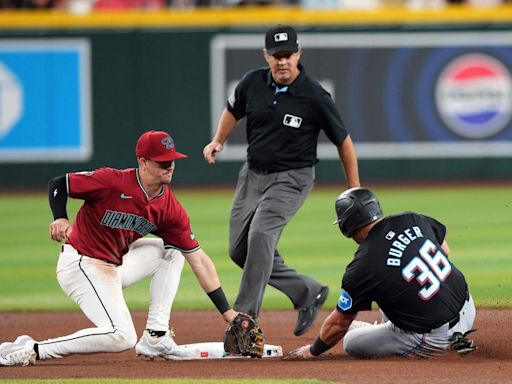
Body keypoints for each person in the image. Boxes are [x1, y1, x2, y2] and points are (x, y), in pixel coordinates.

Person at [0, 130, 240, 366]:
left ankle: (156, 337)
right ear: (143, 162)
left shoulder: (169, 208)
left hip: (115, 266)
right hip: (81, 264)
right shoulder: (111, 181)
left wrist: (228, 313)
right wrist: (61, 217)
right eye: (163, 162)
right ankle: (32, 349)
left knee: (173, 250)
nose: (169, 166)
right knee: (121, 336)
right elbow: (58, 184)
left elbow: (198, 259)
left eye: (172, 161)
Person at [203, 24, 360, 337]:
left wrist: (354, 188)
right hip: (252, 174)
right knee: (239, 251)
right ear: (267, 56)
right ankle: (307, 291)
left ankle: (245, 320)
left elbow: (343, 141)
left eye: (288, 54)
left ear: (298, 54)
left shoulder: (314, 95)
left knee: (261, 235)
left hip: (293, 178)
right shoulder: (252, 82)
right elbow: (233, 110)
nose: (283, 61)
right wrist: (218, 140)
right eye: (276, 55)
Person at [287, 187, 477, 359]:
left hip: (435, 338)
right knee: (389, 286)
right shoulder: (411, 218)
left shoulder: (364, 265)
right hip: (468, 308)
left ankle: (447, 343)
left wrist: (312, 351)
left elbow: (339, 323)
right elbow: (444, 249)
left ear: (346, 226)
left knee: (350, 340)